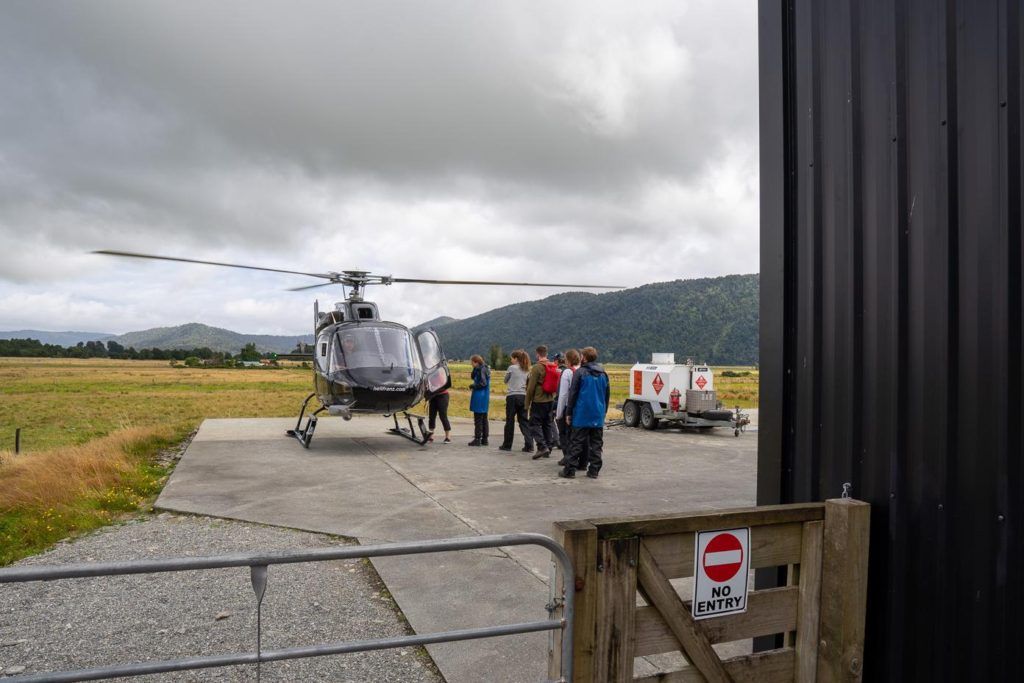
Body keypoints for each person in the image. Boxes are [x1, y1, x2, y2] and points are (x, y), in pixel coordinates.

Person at [560, 346, 609, 479]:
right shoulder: (604, 374)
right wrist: (603, 412)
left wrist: (568, 413)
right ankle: (594, 471)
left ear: (584, 358)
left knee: (576, 443)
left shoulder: (580, 373)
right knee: (596, 444)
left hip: (581, 414)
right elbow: (606, 396)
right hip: (597, 414)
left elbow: (573, 395)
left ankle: (569, 470)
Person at [525, 345, 557, 459]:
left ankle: (542, 446)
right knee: (547, 423)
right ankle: (548, 446)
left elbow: (531, 387)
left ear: (537, 354)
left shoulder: (537, 367)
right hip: (550, 400)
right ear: (546, 353)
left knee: (534, 424)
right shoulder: (552, 365)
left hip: (539, 400)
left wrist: (527, 403)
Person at [499, 350, 534, 453]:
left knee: (510, 421)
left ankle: (507, 445)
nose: (511, 360)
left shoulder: (511, 368)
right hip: (523, 396)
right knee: (523, 421)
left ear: (516, 359)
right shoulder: (527, 369)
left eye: (512, 358)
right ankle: (529, 445)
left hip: (512, 396)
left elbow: (505, 380)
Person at [556, 349, 584, 466]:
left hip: (569, 406)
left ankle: (568, 458)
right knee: (578, 436)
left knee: (564, 434)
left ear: (568, 360)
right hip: (581, 407)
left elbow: (563, 395)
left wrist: (559, 413)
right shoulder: (582, 370)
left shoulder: (567, 372)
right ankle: (580, 460)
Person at [468, 354, 490, 446]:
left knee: (478, 418)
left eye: (472, 363)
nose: (471, 364)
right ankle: (484, 439)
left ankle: (477, 439)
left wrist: (474, 386)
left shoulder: (481, 369)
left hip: (479, 395)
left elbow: (483, 383)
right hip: (485, 396)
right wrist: (474, 369)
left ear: (476, 362)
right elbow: (472, 377)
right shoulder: (484, 368)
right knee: (484, 418)